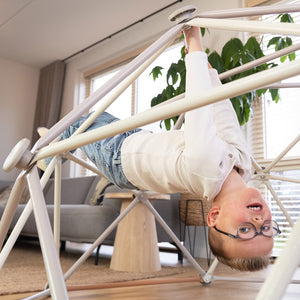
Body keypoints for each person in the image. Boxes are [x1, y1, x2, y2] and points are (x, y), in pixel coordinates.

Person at [38, 27, 280, 271]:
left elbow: (200, 107)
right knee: (89, 121)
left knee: (80, 121)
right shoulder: (243, 165)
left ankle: (50, 156)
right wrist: (209, 73)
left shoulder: (206, 166)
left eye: (245, 230)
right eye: (267, 229)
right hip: (137, 140)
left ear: (214, 217)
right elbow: (223, 113)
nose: (259, 221)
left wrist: (194, 42)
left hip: (119, 158)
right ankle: (57, 146)